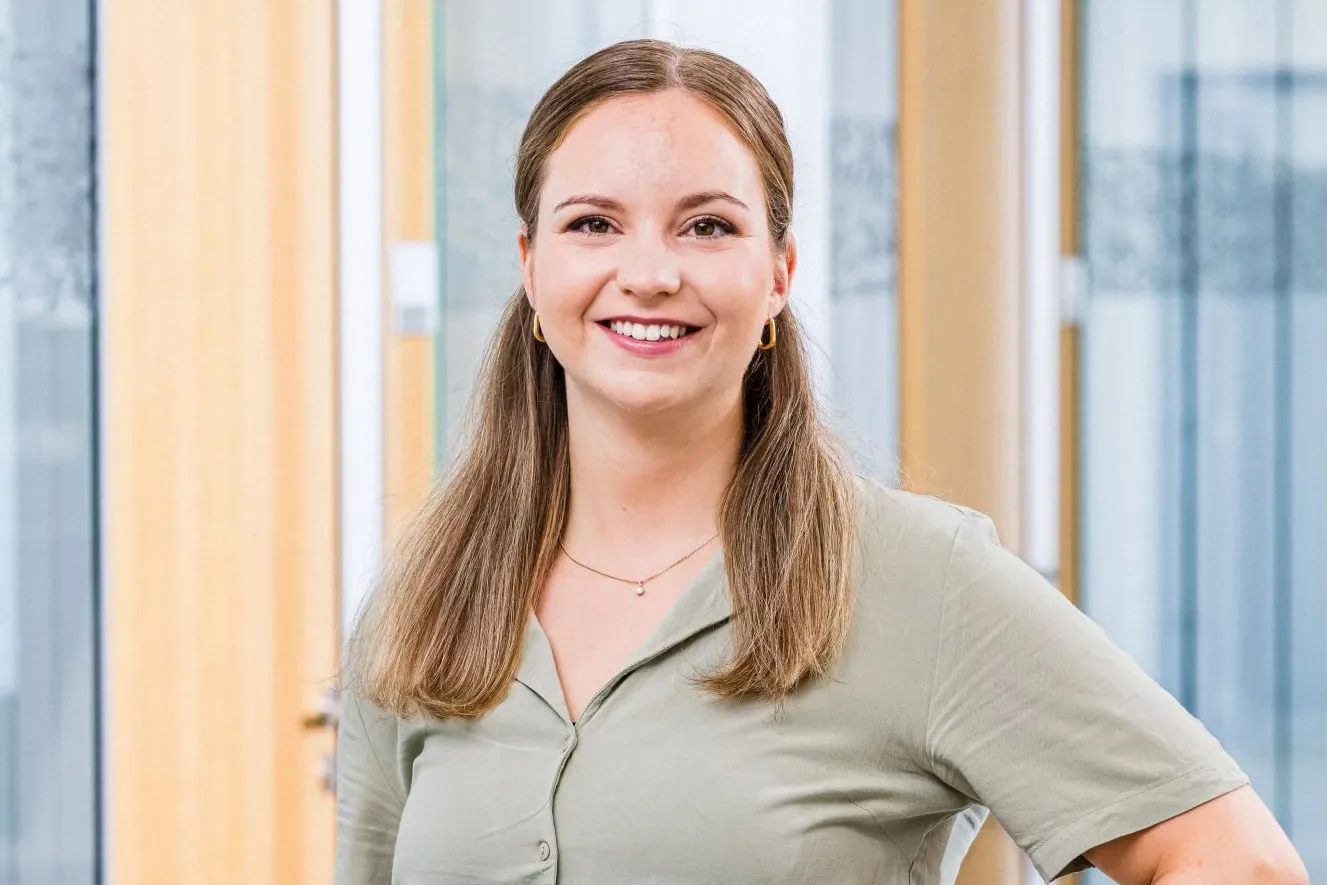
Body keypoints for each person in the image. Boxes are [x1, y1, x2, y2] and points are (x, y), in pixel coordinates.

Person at [335, 39, 1307, 885]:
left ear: (778, 274)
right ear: (530, 264)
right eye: (593, 223)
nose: (649, 272)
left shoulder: (921, 583)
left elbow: (1237, 862)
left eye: (707, 225)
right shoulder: (425, 603)